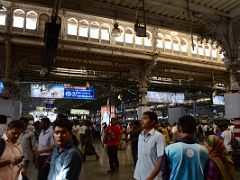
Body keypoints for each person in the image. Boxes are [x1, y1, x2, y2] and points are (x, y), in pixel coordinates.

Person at [162, 115, 209, 180]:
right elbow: (205, 174)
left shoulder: (169, 150)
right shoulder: (204, 151)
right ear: (195, 129)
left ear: (178, 129)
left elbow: (165, 174)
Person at [134, 111, 166, 180]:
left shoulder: (158, 137)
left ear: (152, 121)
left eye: (145, 118)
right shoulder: (141, 135)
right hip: (139, 175)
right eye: (142, 118)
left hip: (152, 177)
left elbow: (161, 159)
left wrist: (151, 177)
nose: (142, 121)